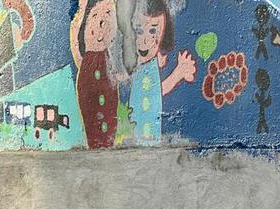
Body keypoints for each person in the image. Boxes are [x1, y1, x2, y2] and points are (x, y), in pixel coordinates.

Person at [129, 0, 197, 146]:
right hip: (143, 134)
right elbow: (154, 93)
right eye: (139, 31)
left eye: (153, 31)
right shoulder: (138, 68)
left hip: (150, 134)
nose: (145, 40)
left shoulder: (149, 64)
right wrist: (177, 74)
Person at [71, 0, 122, 149]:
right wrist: (81, 10)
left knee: (109, 114)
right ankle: (93, 143)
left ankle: (107, 143)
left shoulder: (109, 58)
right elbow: (75, 43)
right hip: (88, 73)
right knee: (91, 117)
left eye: (108, 13)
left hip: (106, 74)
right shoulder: (87, 60)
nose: (102, 21)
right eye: (94, 15)